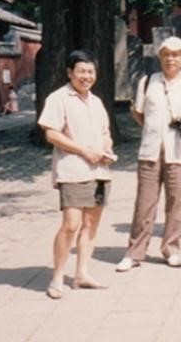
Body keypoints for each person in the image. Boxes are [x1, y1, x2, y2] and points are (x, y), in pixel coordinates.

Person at [116, 36, 181, 272]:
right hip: (150, 150)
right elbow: (139, 113)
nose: (170, 59)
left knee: (175, 202)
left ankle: (171, 249)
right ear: (159, 57)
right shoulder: (148, 82)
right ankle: (135, 252)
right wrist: (153, 129)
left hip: (178, 151)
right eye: (166, 54)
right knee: (144, 203)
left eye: (175, 55)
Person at [38, 50, 116, 300]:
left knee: (91, 225)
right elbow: (52, 134)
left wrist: (107, 149)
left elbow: (105, 133)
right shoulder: (58, 98)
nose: (86, 76)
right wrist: (84, 151)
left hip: (99, 171)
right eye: (81, 71)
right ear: (70, 73)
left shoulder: (96, 102)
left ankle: (82, 273)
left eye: (90, 72)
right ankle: (57, 277)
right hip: (72, 170)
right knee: (71, 225)